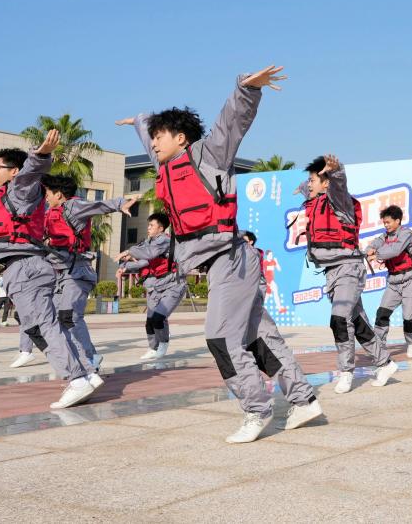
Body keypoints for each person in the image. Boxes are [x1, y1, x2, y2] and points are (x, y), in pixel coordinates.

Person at [118, 66, 322, 443]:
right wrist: (141, 121)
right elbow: (150, 139)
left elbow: (232, 122)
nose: (153, 143)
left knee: (220, 338)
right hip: (224, 265)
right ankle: (304, 400)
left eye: (159, 136)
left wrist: (246, 89)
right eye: (152, 137)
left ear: (181, 138)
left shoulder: (208, 155)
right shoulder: (165, 165)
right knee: (259, 338)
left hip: (229, 259)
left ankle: (256, 409)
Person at [0, 132, 97, 409]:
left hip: (25, 267)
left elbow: (32, 171)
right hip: (22, 267)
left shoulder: (20, 188)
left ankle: (77, 378)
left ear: (14, 171)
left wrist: (41, 154)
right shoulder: (6, 195)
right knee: (36, 326)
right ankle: (86, 372)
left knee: (45, 326)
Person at [17, 174, 136, 375]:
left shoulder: (74, 206)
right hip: (58, 273)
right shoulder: (49, 213)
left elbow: (97, 206)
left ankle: (90, 358)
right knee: (50, 318)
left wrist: (119, 203)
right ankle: (76, 357)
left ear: (59, 194)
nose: (46, 198)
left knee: (69, 316)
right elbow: (32, 228)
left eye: (48, 193)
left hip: (77, 271)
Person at [299, 154, 398, 393]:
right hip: (332, 272)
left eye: (313, 180)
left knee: (339, 319)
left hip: (348, 268)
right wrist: (304, 185)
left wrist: (336, 171)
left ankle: (346, 372)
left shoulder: (339, 202)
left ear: (326, 183)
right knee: (358, 322)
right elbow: (307, 189)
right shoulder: (315, 199)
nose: (309, 185)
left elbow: (339, 185)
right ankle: (385, 363)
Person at [118, 212, 186, 361]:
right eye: (148, 225)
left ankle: (163, 344)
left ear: (160, 228)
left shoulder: (164, 241)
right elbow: (144, 261)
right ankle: (153, 348)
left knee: (158, 317)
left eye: (151, 225)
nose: (148, 228)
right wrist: (124, 267)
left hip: (173, 285)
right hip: (157, 285)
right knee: (150, 321)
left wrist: (130, 251)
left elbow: (148, 254)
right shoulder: (149, 242)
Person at [366, 205, 412, 357]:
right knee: (382, 313)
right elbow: (374, 244)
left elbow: (395, 250)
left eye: (388, 222)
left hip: (411, 279)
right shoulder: (384, 236)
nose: (386, 225)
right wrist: (369, 249)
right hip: (393, 282)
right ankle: (379, 346)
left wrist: (376, 254)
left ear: (397, 221)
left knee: (408, 316)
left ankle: (411, 343)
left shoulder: (406, 234)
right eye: (384, 222)